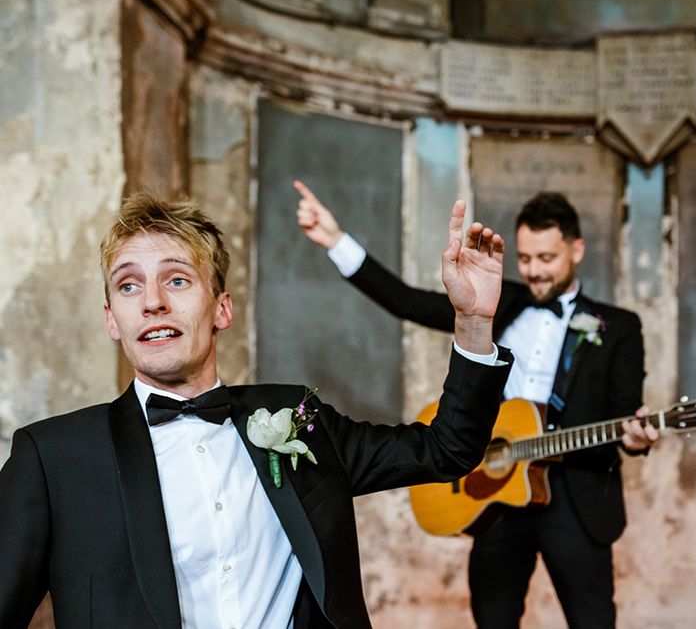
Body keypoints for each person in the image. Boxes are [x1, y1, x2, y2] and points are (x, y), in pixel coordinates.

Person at [0, 192, 512, 629]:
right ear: (113, 319)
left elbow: (447, 449)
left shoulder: (297, 416)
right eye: (129, 285)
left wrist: (471, 322)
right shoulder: (53, 458)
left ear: (222, 308)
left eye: (177, 280)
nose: (152, 301)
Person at [295, 180, 659, 629]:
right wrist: (336, 241)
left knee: (593, 620)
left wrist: (638, 438)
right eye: (525, 259)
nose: (535, 271)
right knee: (492, 618)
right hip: (496, 494)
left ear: (576, 249)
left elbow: (628, 414)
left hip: (577, 498)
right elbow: (407, 302)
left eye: (547, 259)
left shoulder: (620, 326)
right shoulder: (496, 299)